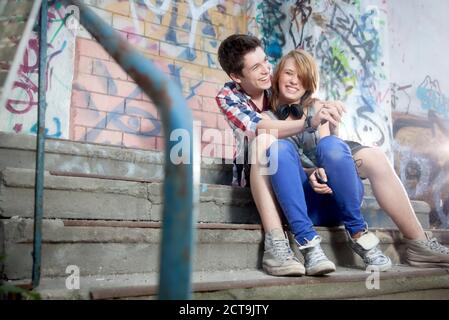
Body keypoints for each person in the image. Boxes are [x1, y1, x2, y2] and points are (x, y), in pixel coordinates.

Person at [215, 35, 449, 276]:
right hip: (265, 169)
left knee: (370, 156)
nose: (267, 71)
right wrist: (309, 124)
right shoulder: (230, 97)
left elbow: (323, 142)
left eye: (266, 62)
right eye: (256, 67)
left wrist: (325, 127)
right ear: (237, 76)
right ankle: (277, 245)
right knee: (267, 141)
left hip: (307, 164)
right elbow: (262, 128)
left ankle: (418, 243)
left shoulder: (299, 95)